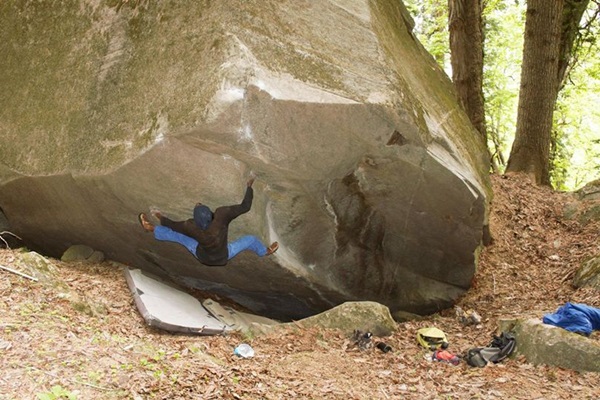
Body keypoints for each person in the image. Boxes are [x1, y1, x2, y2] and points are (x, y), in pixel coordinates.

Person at [138, 177, 278, 266]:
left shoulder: (191, 227)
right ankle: (264, 251)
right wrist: (249, 187)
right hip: (224, 255)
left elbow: (172, 225)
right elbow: (245, 207)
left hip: (202, 255)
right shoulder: (221, 218)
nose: (198, 203)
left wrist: (159, 216)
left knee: (177, 236)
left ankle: (151, 229)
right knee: (251, 239)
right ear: (211, 215)